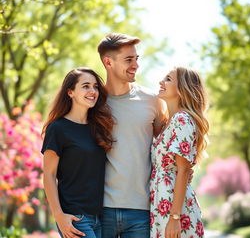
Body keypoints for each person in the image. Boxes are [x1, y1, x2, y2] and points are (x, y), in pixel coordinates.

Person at [97, 33, 167, 237]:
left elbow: (166, 147)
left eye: (137, 59)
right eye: (129, 59)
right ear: (108, 62)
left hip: (142, 211)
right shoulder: (92, 103)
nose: (136, 65)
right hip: (101, 209)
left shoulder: (152, 100)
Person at [41, 68, 115, 238]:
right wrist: (59, 216)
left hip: (101, 217)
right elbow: (49, 175)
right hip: (75, 217)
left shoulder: (98, 127)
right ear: (70, 92)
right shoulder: (58, 129)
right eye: (86, 86)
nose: (93, 91)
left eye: (96, 87)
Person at [150, 67, 209, 238]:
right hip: (162, 203)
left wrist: (175, 217)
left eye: (168, 79)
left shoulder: (182, 119)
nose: (161, 82)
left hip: (175, 209)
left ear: (183, 89)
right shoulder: (168, 122)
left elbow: (183, 170)